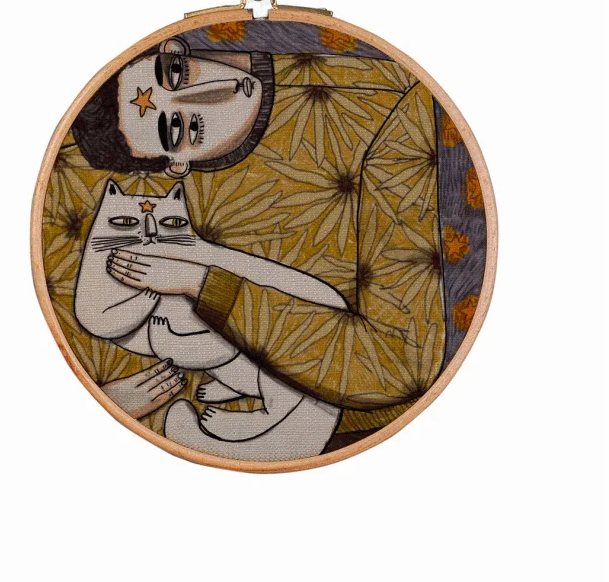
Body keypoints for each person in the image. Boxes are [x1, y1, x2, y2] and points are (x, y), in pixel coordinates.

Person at [72, 33, 447, 442]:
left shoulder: (393, 127)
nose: (217, 93)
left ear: (174, 49)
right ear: (176, 165)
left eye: (178, 73)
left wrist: (201, 284)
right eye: (180, 127)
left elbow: (395, 364)